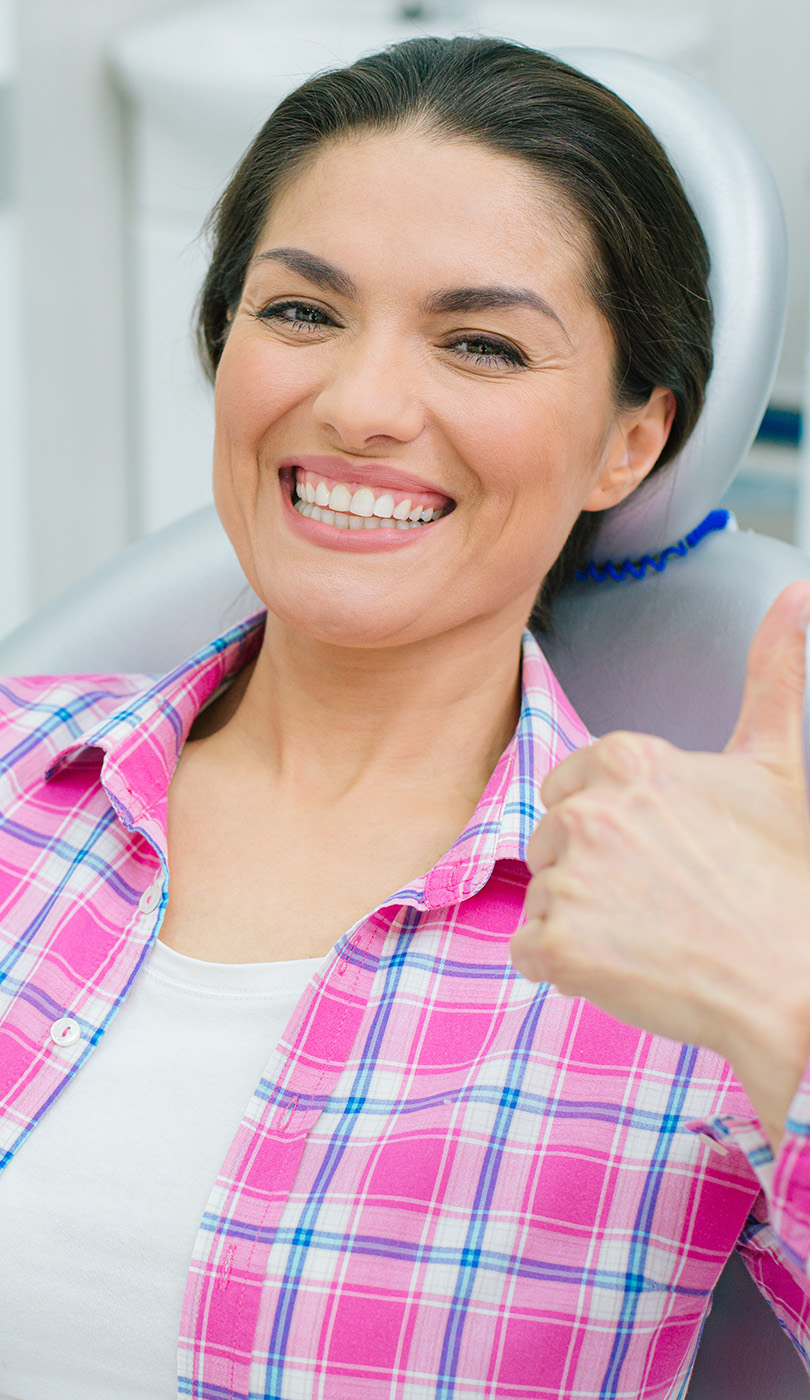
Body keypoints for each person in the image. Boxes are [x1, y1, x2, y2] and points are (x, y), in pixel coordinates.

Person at [1, 32, 809, 1400]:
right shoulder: (21, 766)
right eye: (301, 313)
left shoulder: (718, 914)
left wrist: (780, 1003)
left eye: (480, 343)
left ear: (629, 442)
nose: (359, 403)